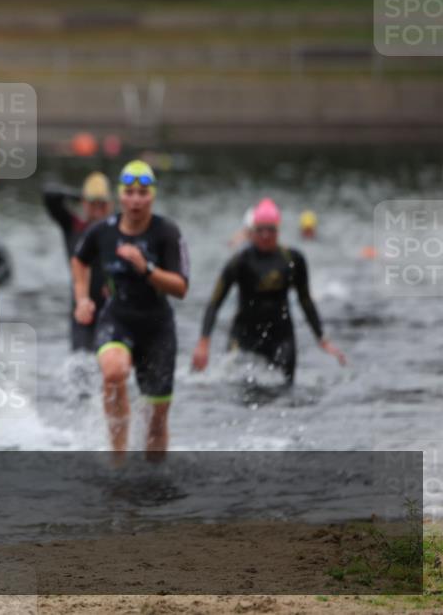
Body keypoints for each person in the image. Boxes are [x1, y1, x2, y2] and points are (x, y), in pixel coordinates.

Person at [70, 160, 189, 458]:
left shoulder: (167, 232)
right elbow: (79, 261)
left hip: (157, 326)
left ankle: (153, 475)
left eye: (143, 193)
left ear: (153, 196)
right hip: (118, 317)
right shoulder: (103, 231)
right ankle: (118, 454)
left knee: (157, 420)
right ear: (121, 195)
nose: (136, 199)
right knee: (113, 372)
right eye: (130, 192)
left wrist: (145, 267)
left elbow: (181, 287)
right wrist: (82, 298)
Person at [192, 198, 346, 387]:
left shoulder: (293, 259)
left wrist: (322, 339)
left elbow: (305, 300)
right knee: (236, 389)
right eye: (260, 230)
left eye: (270, 229)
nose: (265, 235)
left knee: (286, 391)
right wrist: (203, 342)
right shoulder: (240, 261)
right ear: (252, 231)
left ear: (278, 230)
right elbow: (215, 302)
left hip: (281, 336)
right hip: (244, 337)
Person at [43, 172, 113, 351]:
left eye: (102, 204)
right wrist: (78, 194)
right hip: (81, 309)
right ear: (83, 202)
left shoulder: (117, 229)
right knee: (81, 364)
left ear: (110, 205)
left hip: (111, 310)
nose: (97, 209)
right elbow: (49, 194)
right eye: (92, 203)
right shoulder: (73, 226)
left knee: (110, 364)